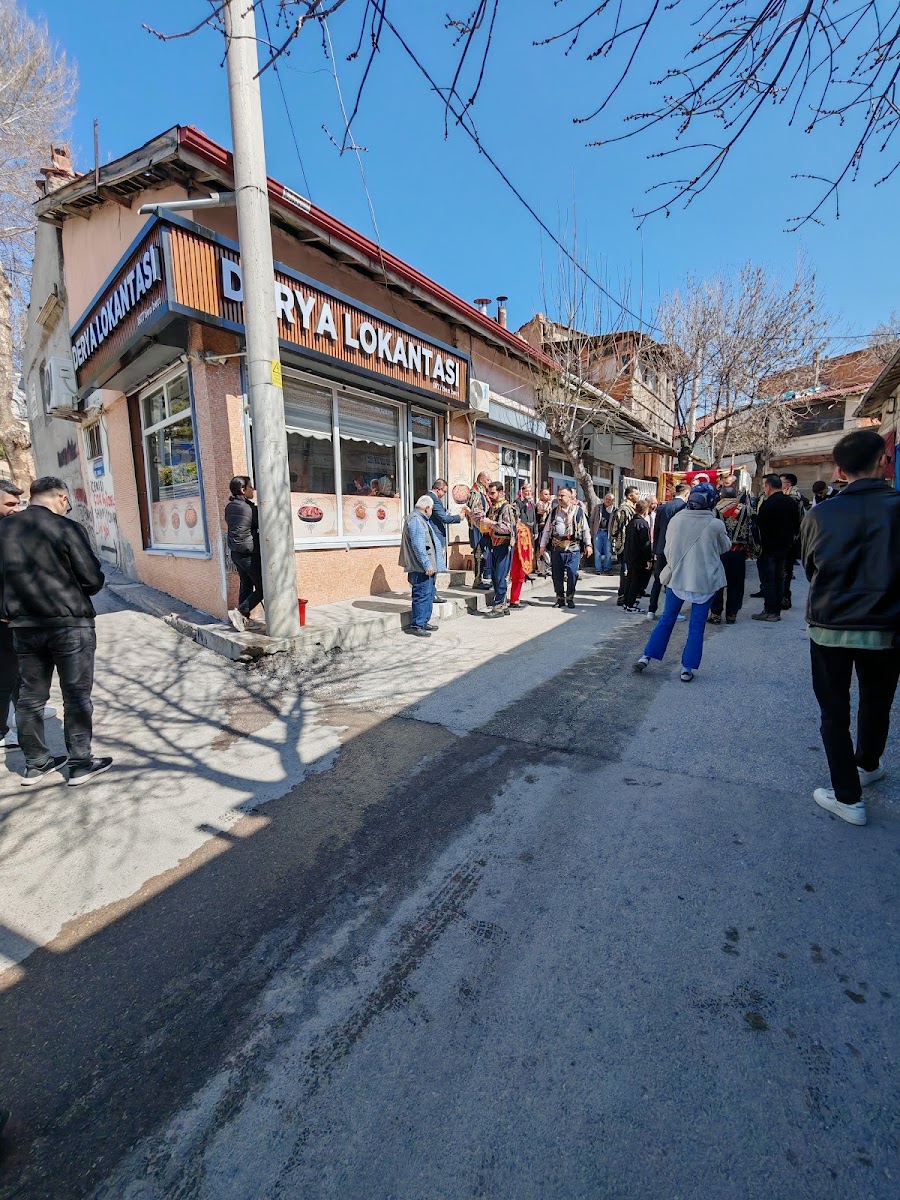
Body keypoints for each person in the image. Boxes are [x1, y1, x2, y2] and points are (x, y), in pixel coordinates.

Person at [801, 429, 900, 826]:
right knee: (877, 702)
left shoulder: (819, 514)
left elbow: (811, 568)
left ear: (839, 470)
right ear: (883, 461)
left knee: (834, 712)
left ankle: (848, 798)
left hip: (830, 624)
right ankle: (868, 764)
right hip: (887, 627)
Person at [0, 476, 109, 786]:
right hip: (69, 624)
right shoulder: (66, 528)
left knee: (30, 698)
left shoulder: (4, 528)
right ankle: (80, 764)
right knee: (76, 696)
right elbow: (92, 579)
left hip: (24, 626)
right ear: (61, 498)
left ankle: (36, 764)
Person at [634, 485, 731, 681]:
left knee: (666, 619)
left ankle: (646, 656)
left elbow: (668, 549)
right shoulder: (715, 524)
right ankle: (687, 668)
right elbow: (725, 547)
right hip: (704, 580)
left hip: (678, 577)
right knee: (697, 625)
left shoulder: (677, 519)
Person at [752, 474, 802, 623]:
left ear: (768, 486)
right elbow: (797, 523)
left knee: (768, 580)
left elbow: (760, 526)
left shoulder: (768, 503)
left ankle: (769, 611)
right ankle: (776, 610)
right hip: (785, 547)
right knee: (780, 578)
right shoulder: (791, 502)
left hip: (768, 547)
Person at [708, 476, 754, 625]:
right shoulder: (746, 510)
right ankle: (732, 614)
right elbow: (752, 530)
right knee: (736, 584)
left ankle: (715, 614)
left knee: (717, 583)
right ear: (735, 496)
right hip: (738, 552)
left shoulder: (715, 510)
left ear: (721, 495)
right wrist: (751, 549)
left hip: (719, 552)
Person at [540, 485, 592, 609]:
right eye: (559, 495)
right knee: (556, 574)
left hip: (573, 548)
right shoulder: (554, 512)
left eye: (562, 495)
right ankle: (560, 598)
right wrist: (542, 546)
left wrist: (588, 544)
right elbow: (547, 530)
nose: (559, 498)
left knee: (572, 573)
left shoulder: (578, 511)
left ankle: (570, 597)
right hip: (557, 548)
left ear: (569, 497)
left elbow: (585, 529)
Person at [225, 476, 264, 633]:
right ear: (243, 490)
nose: (253, 489)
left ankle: (243, 620)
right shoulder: (249, 508)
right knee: (263, 588)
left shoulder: (230, 507)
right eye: (250, 486)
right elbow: (261, 524)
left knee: (246, 584)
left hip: (236, 553)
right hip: (249, 553)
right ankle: (240, 612)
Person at [648, 482, 690, 617]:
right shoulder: (685, 508)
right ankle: (671, 612)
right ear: (687, 494)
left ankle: (651, 610)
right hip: (677, 549)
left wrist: (655, 549)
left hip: (662, 548)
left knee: (658, 580)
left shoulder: (662, 508)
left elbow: (656, 530)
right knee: (675, 581)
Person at [399, 496, 439, 637]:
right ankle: (417, 625)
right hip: (420, 567)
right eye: (431, 509)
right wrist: (427, 564)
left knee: (428, 594)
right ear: (427, 508)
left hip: (426, 567)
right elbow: (418, 545)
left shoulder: (421, 519)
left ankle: (424, 621)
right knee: (421, 595)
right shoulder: (416, 520)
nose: (431, 512)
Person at [479, 480, 517, 616]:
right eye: (489, 493)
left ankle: (499, 606)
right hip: (493, 545)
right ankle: (503, 604)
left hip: (504, 545)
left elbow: (507, 528)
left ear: (501, 492)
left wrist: (490, 523)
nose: (490, 496)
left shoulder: (506, 508)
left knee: (501, 577)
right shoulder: (492, 508)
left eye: (493, 493)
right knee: (495, 577)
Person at [621, 499, 653, 612]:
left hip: (630, 555)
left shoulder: (631, 522)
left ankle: (626, 602)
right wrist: (648, 559)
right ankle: (630, 604)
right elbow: (646, 544)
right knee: (635, 581)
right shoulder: (643, 524)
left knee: (629, 579)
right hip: (639, 557)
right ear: (645, 511)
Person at [426, 478, 462, 576]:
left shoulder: (428, 497)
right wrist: (459, 517)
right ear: (438, 489)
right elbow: (444, 518)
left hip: (432, 534)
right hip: (435, 535)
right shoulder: (434, 499)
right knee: (435, 565)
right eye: (444, 492)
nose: (444, 494)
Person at [611, 486, 639, 605]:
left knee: (629, 571)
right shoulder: (624, 509)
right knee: (625, 572)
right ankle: (622, 596)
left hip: (629, 545)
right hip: (625, 545)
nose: (638, 496)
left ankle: (628, 595)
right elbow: (620, 529)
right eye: (636, 494)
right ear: (630, 496)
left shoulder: (631, 508)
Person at [466, 471, 492, 588]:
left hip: (484, 528)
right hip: (477, 528)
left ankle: (483, 576)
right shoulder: (475, 493)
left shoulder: (483, 493)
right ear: (481, 479)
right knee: (478, 553)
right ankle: (477, 580)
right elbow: (473, 511)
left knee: (484, 553)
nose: (489, 482)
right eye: (488, 480)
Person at [590, 493, 615, 574]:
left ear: (613, 501)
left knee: (608, 551)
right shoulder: (598, 507)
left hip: (608, 533)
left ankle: (607, 568)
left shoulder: (614, 510)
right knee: (597, 551)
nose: (608, 501)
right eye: (606, 499)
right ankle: (598, 569)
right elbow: (591, 520)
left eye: (610, 499)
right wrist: (592, 532)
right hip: (598, 531)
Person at [535, 486, 554, 577]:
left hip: (547, 530)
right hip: (540, 529)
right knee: (540, 549)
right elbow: (542, 511)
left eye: (548, 494)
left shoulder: (548, 504)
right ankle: (539, 569)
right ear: (541, 495)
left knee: (547, 549)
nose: (548, 496)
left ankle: (546, 568)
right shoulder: (539, 504)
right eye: (545, 494)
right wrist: (550, 503)